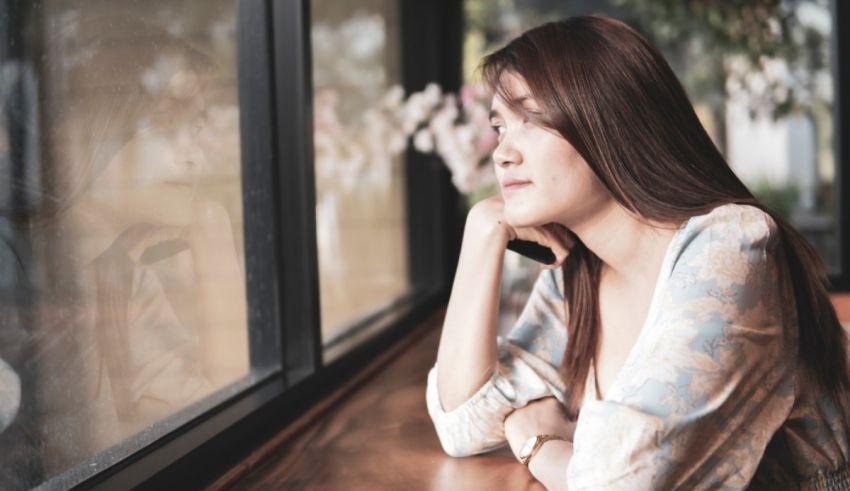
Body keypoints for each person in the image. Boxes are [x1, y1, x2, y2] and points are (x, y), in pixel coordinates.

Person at [425, 15, 850, 490]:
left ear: (611, 119)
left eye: (532, 118)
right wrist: (482, 232)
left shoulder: (730, 249)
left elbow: (624, 482)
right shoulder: (578, 272)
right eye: (501, 127)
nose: (503, 152)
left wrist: (538, 443)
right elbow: (461, 423)